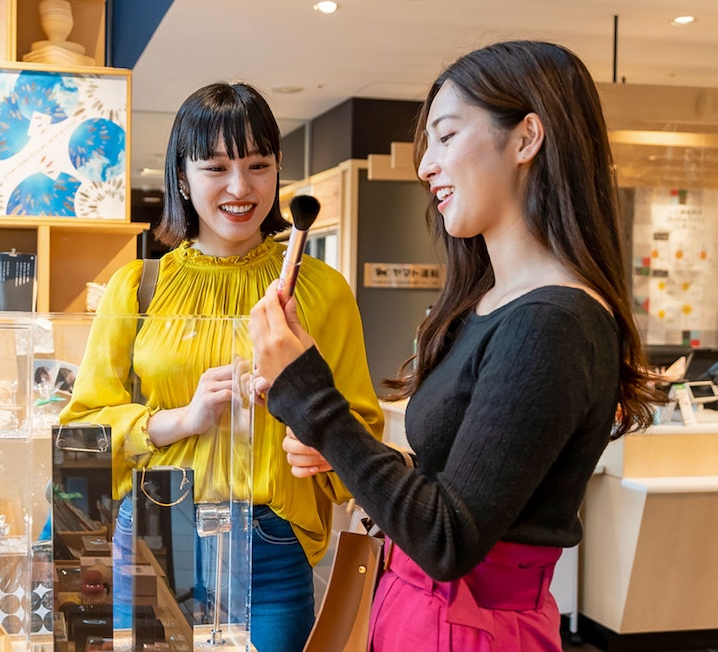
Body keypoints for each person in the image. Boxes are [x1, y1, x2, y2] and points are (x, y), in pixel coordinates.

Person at [249, 40, 661, 650]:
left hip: (468, 629)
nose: (425, 166)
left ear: (526, 138)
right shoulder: (491, 305)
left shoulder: (553, 322)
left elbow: (448, 537)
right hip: (418, 613)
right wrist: (347, 451)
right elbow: (456, 489)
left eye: (445, 136)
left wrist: (313, 399)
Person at [60, 81, 384, 652]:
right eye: (215, 167)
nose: (240, 187)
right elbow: (82, 434)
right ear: (182, 178)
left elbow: (361, 434)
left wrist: (321, 442)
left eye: (258, 165)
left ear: (278, 169)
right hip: (156, 532)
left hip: (270, 545)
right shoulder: (136, 287)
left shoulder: (322, 291)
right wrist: (181, 420)